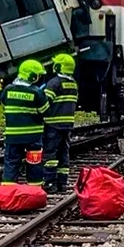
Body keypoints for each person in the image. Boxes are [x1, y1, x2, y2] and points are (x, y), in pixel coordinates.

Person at [0, 59, 49, 186]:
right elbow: (44, 111)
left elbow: (4, 103)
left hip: (13, 136)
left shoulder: (8, 89)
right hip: (33, 137)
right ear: (32, 76)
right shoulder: (36, 92)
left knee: (11, 163)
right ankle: (35, 189)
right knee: (34, 164)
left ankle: (8, 190)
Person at [40, 53, 78, 193]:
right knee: (63, 153)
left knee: (50, 154)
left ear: (58, 66)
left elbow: (45, 103)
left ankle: (50, 183)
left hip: (53, 125)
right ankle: (62, 183)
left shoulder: (54, 83)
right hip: (67, 125)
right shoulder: (73, 83)